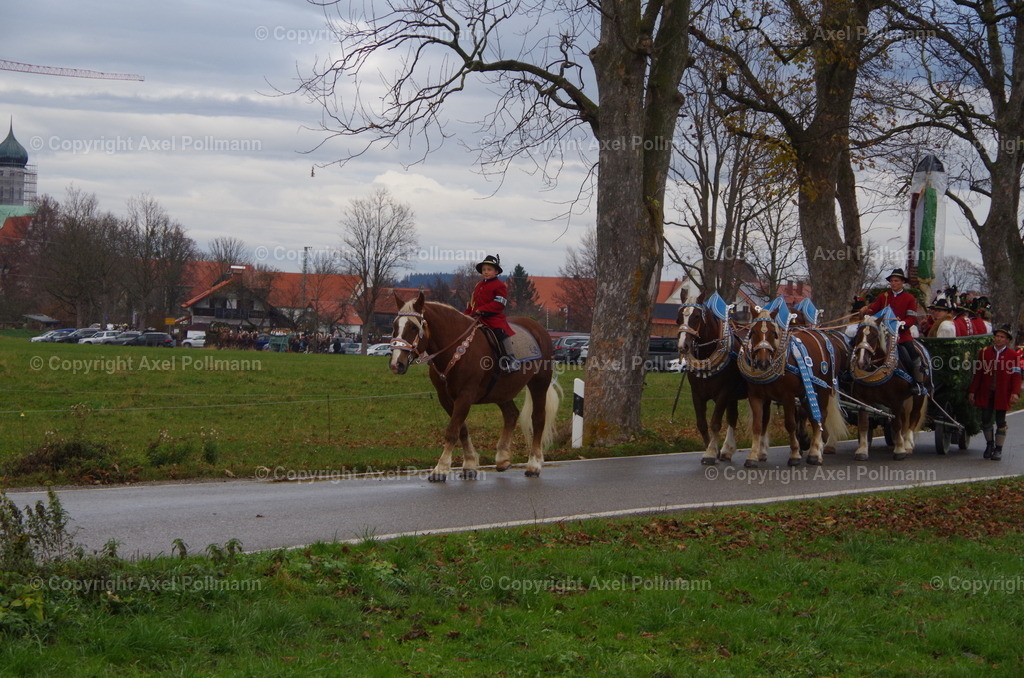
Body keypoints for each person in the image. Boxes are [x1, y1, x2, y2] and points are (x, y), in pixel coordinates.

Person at [859, 268, 928, 394]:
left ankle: (918, 382)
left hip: (902, 334)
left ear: (902, 282)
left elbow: (912, 318)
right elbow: (874, 310)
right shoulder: (883, 296)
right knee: (858, 343)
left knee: (912, 353)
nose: (893, 283)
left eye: (896, 281)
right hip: (881, 333)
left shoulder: (909, 298)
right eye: (891, 281)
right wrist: (866, 310)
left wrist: (902, 324)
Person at [968, 325, 1022, 460]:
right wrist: (973, 391)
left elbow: (1016, 376)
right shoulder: (984, 352)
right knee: (986, 419)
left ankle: (998, 449)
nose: (998, 339)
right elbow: (978, 373)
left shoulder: (1013, 355)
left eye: (1002, 337)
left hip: (1003, 393)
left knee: (1000, 420)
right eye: (997, 336)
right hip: (987, 391)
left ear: (1007, 340)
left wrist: (1015, 392)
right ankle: (989, 444)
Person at [465, 254, 520, 372]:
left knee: (501, 333)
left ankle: (510, 359)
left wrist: (482, 310)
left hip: (493, 318)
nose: (486, 272)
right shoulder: (478, 285)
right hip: (475, 317)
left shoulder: (500, 286)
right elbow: (472, 304)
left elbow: (499, 304)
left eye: (489, 269)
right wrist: (465, 315)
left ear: (496, 272)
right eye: (484, 270)